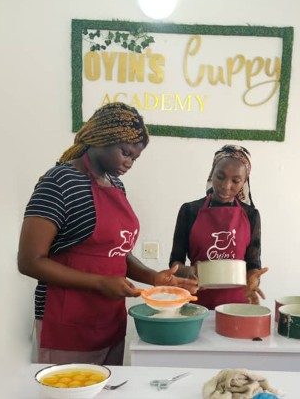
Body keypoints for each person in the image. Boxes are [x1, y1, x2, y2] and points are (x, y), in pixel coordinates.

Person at [17, 102, 197, 365]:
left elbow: (117, 253)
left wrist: (153, 277)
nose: (129, 163)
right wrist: (100, 282)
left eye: (135, 158)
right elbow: (29, 261)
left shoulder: (116, 184)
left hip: (107, 320)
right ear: (101, 138)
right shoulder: (59, 182)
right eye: (125, 153)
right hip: (66, 322)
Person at [169, 145, 268, 310]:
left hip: (237, 306)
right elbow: (175, 262)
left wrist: (254, 279)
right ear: (211, 174)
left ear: (244, 182)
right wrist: (187, 272)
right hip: (197, 302)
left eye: (236, 181)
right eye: (220, 177)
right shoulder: (190, 210)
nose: (226, 186)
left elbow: (253, 264)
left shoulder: (251, 215)